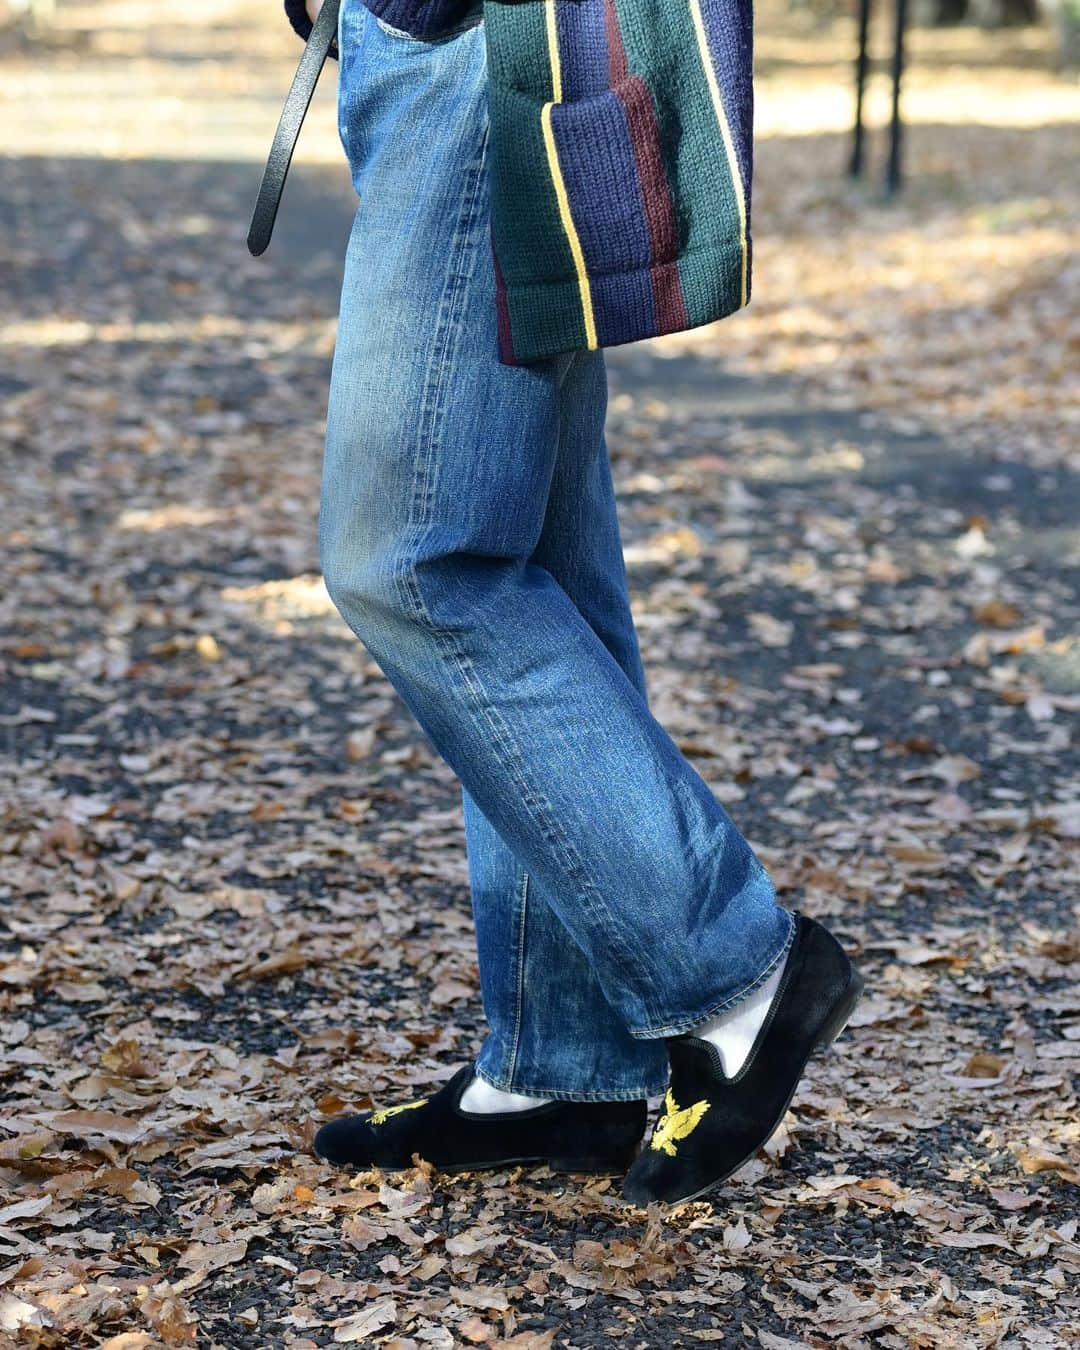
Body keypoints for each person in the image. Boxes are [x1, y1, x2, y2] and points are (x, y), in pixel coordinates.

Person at [285, 0, 864, 1208]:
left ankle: (739, 968)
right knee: (529, 555)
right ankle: (566, 1064)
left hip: (472, 49)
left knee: (414, 558)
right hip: (431, 46)